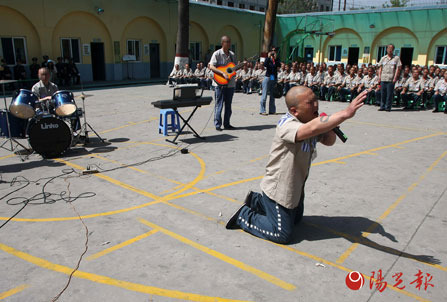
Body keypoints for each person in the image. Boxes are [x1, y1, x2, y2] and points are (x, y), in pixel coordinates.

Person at [225, 86, 367, 243]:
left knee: (296, 219)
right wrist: (345, 114)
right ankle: (244, 215)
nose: (316, 105)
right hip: (279, 189)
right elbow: (310, 129)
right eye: (310, 102)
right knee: (281, 233)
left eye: (316, 100)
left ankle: (256, 201)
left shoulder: (311, 121)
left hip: (296, 186)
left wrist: (330, 129)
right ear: (294, 111)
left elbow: (329, 141)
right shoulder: (286, 125)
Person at [209, 35, 237, 131]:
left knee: (228, 105)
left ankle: (227, 124)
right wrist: (222, 73)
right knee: (219, 104)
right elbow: (211, 66)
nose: (229, 43)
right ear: (222, 43)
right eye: (227, 42)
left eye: (230, 42)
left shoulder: (232, 55)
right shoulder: (217, 54)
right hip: (219, 84)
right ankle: (217, 124)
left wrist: (241, 66)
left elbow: (233, 68)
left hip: (230, 84)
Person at [378, 44, 402, 111]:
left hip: (391, 78)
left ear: (393, 50)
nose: (390, 50)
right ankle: (382, 106)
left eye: (391, 48)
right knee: (383, 93)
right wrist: (379, 77)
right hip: (383, 78)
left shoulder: (396, 58)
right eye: (389, 48)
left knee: (389, 94)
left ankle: (388, 107)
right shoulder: (383, 58)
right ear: (386, 49)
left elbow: (398, 68)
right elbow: (380, 68)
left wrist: (395, 77)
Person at [260, 47, 281, 115]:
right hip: (268, 76)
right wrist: (269, 57)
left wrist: (275, 58)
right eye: (272, 50)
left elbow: (279, 65)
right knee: (265, 94)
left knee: (272, 94)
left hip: (272, 77)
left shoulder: (276, 59)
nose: (273, 52)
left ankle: (272, 110)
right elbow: (265, 65)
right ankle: (262, 110)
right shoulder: (268, 59)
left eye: (274, 51)